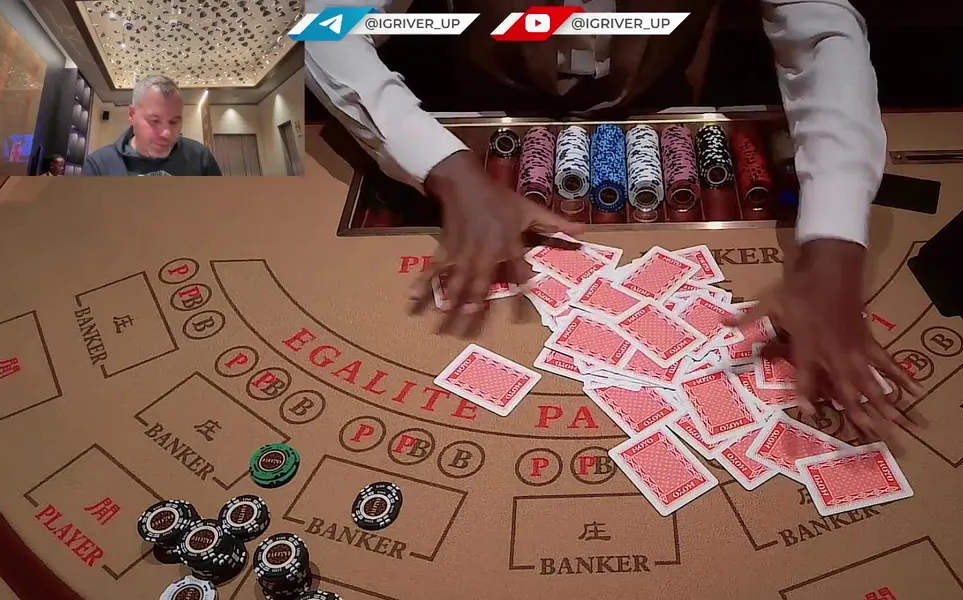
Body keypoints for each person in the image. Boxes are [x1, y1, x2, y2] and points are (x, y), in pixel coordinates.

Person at [305, 0, 921, 441]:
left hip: (660, 110)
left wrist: (835, 242)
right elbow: (326, 26)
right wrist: (444, 166)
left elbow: (821, 31)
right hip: (489, 127)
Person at [84, 75, 222, 177]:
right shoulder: (99, 166)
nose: (167, 133)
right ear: (132, 115)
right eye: (154, 121)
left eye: (174, 122)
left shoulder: (200, 158)